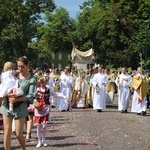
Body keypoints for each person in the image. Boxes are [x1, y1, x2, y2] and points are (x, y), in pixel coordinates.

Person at [0, 56, 36, 150]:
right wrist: (7, 94)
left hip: (20, 106)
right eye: (18, 66)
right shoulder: (13, 75)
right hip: (7, 105)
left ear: (28, 66)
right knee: (7, 132)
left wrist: (18, 100)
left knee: (18, 133)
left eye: (22, 66)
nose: (20, 69)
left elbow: (31, 95)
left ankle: (23, 148)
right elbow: (4, 84)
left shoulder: (31, 79)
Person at [34, 76, 69, 147]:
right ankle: (39, 140)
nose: (43, 84)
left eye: (45, 82)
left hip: (46, 108)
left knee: (45, 125)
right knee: (38, 126)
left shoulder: (48, 89)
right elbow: (33, 97)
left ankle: (44, 139)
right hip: (38, 109)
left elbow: (55, 94)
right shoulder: (37, 89)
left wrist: (64, 96)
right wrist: (35, 103)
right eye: (42, 82)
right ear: (40, 82)